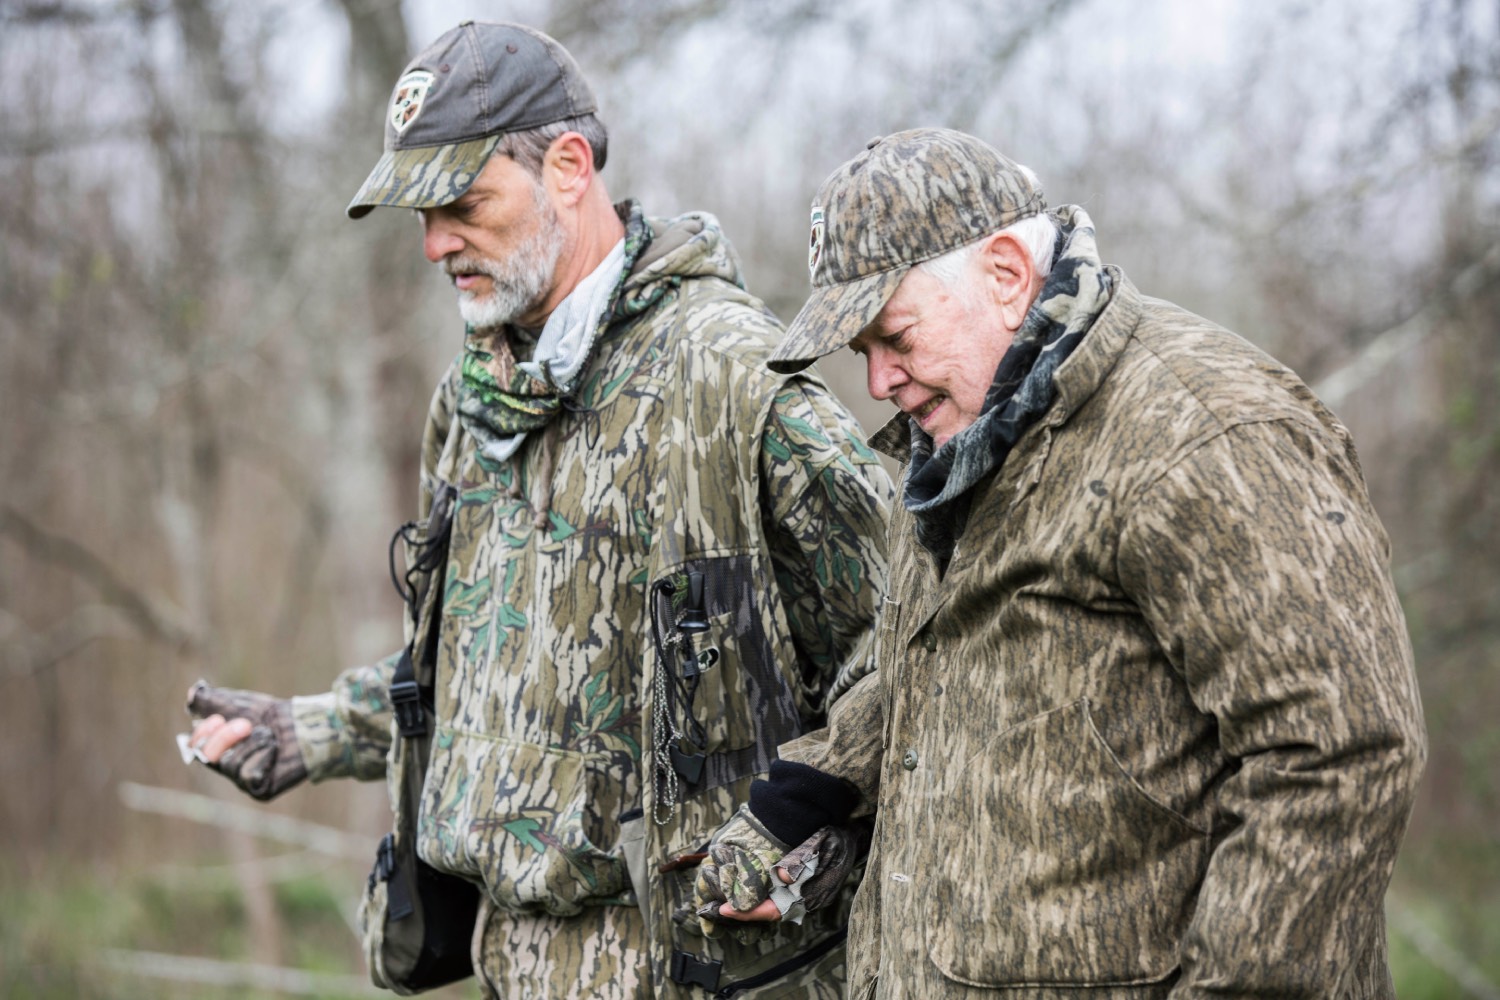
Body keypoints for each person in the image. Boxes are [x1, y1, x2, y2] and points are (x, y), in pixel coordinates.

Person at [182, 21, 893, 999]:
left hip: (705, 974)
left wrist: (801, 825)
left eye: (463, 204)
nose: (435, 244)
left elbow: (903, 647)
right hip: (511, 965)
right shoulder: (468, 407)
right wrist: (310, 731)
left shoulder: (730, 379)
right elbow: (470, 675)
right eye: (420, 216)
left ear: (566, 168)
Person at [693, 127, 1428, 998]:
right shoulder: (957, 452)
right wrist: (813, 787)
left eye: (894, 336)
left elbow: (1338, 754)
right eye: (862, 354)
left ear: (1006, 274)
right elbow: (942, 669)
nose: (880, 382)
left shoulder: (1208, 433)